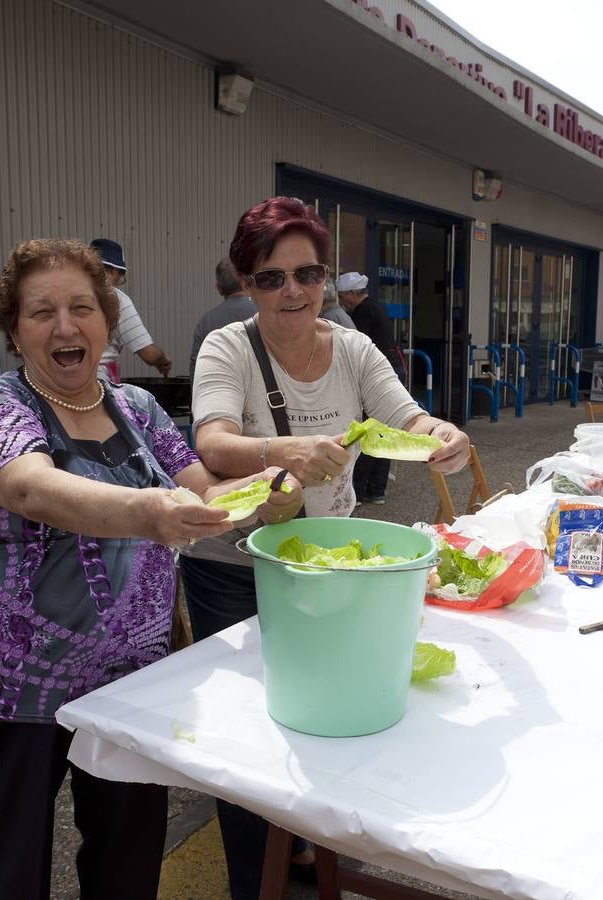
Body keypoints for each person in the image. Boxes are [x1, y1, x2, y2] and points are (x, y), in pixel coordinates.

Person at [0, 238, 303, 899]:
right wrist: (149, 512)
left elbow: (204, 491)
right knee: (1, 867)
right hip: (12, 686)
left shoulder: (136, 409)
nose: (65, 326)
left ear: (106, 321)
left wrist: (269, 491)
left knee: (128, 862)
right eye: (41, 312)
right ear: (16, 331)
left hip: (131, 683)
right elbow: (31, 489)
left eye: (82, 307)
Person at [186, 197, 471, 900]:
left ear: (326, 278)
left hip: (326, 559)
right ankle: (258, 882)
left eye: (306, 274)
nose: (292, 292)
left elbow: (406, 414)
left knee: (328, 711)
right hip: (236, 563)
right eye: (270, 278)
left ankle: (312, 851)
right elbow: (213, 440)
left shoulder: (351, 346)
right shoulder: (228, 346)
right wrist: (282, 448)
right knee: (251, 740)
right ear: (247, 283)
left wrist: (443, 436)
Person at [336, 270, 406, 503]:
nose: (341, 301)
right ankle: (377, 490)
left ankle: (360, 487)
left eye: (343, 295)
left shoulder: (363, 313)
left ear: (354, 293)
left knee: (367, 431)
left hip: (379, 372)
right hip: (393, 366)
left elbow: (358, 349)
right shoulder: (375, 307)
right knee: (382, 431)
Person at [90, 238, 173, 380]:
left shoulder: (70, 292)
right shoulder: (116, 299)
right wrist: (163, 359)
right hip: (97, 382)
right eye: (121, 276)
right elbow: (149, 355)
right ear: (115, 270)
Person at [188, 257, 257, 375]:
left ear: (219, 288)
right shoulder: (265, 314)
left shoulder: (205, 322)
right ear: (247, 283)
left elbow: (197, 368)